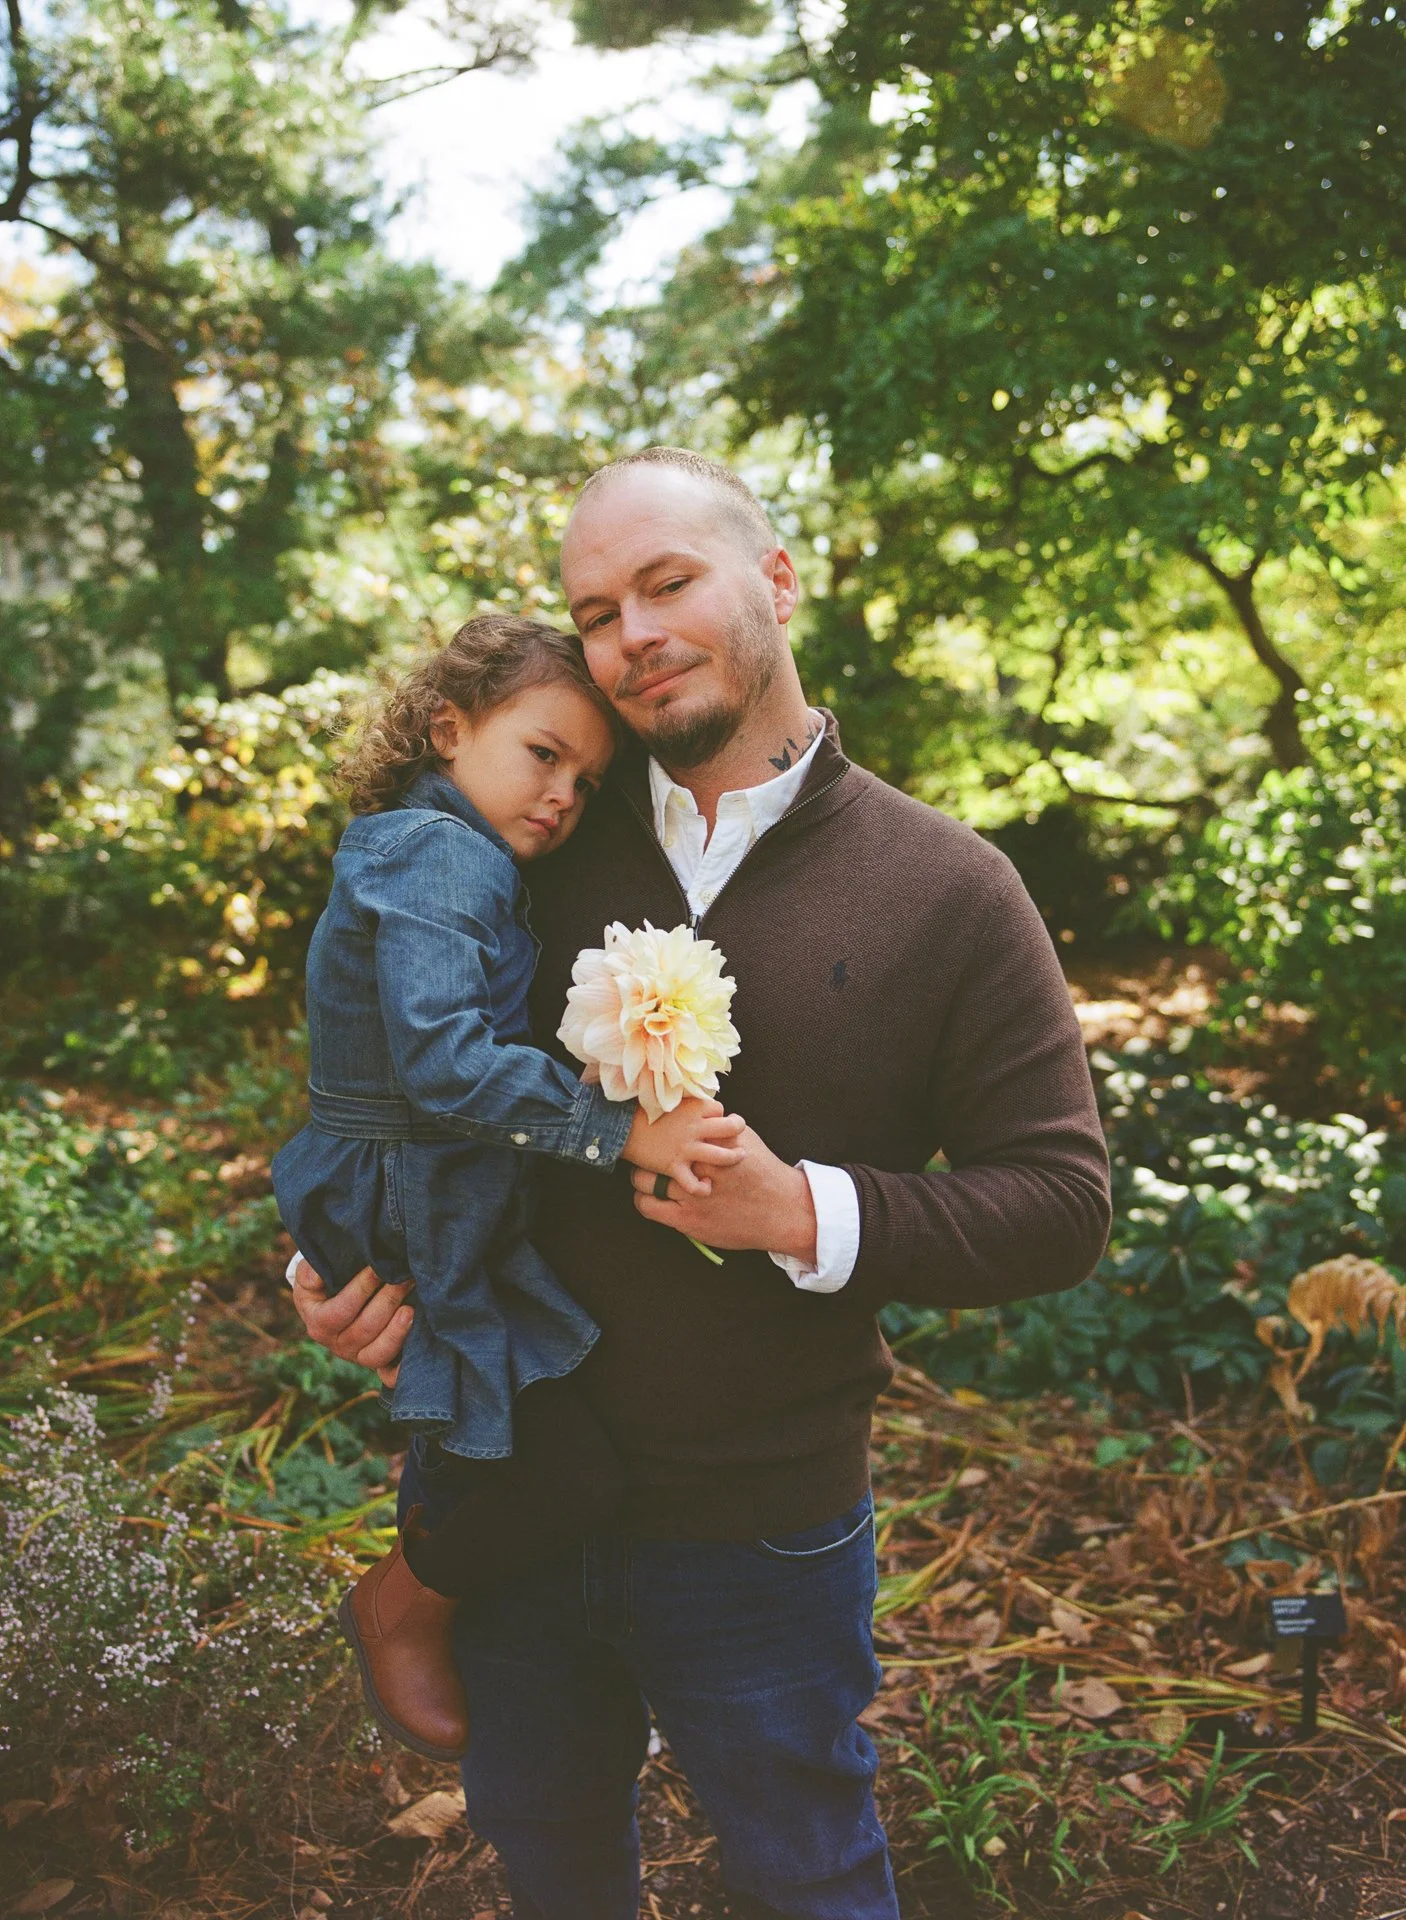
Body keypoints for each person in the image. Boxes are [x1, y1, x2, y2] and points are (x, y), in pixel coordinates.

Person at [287, 448, 1113, 1920]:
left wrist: (801, 1214)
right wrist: (337, 1273)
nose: (631, 636)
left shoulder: (947, 887)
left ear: (776, 580)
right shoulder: (528, 832)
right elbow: (387, 1063)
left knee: (811, 1879)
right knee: (550, 1868)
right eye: (595, 610)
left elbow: (1056, 1204)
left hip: (763, 1524)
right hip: (512, 1486)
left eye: (666, 583)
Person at [271, 611, 746, 1764]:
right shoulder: (443, 854)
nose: (561, 798)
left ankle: (451, 1620)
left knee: (515, 1443)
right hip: (413, 1189)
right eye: (542, 755)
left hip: (416, 1181)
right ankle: (399, 1606)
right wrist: (619, 1128)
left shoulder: (425, 844)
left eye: (584, 781)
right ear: (447, 726)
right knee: (565, 1470)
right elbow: (438, 1063)